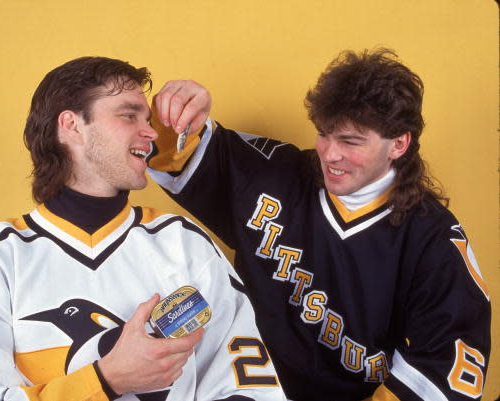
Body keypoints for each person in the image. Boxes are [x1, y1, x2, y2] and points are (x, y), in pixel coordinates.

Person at [0, 56, 287, 401]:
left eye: (149, 119)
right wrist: (104, 380)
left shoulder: (182, 243)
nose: (151, 133)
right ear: (72, 126)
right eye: (130, 115)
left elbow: (250, 387)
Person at [147, 49, 491, 400]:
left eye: (350, 141)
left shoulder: (432, 237)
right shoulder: (278, 172)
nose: (330, 154)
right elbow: (169, 152)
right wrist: (177, 112)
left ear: (399, 144)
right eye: (325, 133)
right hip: (239, 388)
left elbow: (446, 368)